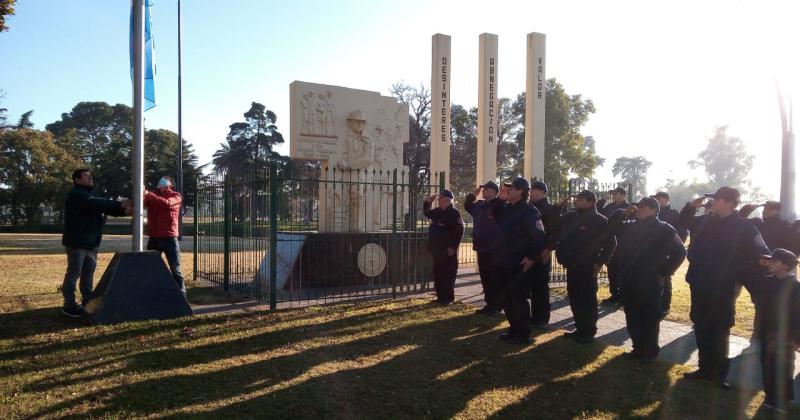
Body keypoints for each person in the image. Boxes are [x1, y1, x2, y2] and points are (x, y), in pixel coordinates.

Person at [680, 187, 770, 389]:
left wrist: (766, 260)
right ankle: (704, 369)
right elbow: (684, 223)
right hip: (699, 281)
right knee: (701, 324)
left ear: (729, 203)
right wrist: (689, 208)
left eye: (717, 199)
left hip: (723, 285)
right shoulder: (704, 221)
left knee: (719, 328)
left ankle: (718, 374)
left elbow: (760, 250)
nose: (712, 202)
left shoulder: (744, 227)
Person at [608, 197, 686, 361]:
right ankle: (637, 348)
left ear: (653, 210)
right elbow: (611, 228)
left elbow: (680, 252)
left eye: (642, 207)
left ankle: (650, 351)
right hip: (629, 278)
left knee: (649, 316)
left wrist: (663, 272)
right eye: (638, 207)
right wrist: (623, 214)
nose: (639, 210)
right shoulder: (631, 225)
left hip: (649, 280)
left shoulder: (665, 229)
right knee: (632, 314)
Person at [61, 169, 131, 317]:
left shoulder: (91, 194)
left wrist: (124, 211)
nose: (90, 177)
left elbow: (103, 207)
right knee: (74, 274)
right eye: (87, 176)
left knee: (88, 273)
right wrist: (120, 204)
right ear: (77, 180)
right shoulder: (77, 195)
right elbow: (96, 204)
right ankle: (69, 305)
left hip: (91, 243)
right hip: (77, 242)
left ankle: (87, 301)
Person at [554, 190, 617, 343]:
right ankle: (580, 327)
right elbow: (555, 223)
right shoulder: (573, 216)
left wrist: (601, 261)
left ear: (590, 202)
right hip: (572, 265)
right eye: (577, 198)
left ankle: (588, 331)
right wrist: (558, 208)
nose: (576, 201)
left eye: (580, 199)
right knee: (575, 296)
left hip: (588, 266)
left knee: (587, 298)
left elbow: (611, 242)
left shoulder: (600, 220)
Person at [742, 249, 800, 413]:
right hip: (766, 332)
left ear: (785, 265)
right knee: (767, 365)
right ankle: (771, 396)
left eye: (775, 261)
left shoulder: (796, 287)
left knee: (783, 366)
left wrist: (797, 339)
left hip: (785, 336)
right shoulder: (767, 281)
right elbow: (746, 276)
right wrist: (757, 264)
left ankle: (782, 400)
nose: (770, 263)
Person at [495, 177, 546, 344]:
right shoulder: (506, 208)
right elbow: (493, 214)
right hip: (504, 260)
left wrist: (531, 257)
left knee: (518, 298)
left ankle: (523, 334)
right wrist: (500, 199)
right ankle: (514, 329)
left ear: (520, 191)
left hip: (519, 262)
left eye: (511, 188)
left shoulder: (529, 211)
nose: (507, 190)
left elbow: (538, 237)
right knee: (506, 298)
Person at [528, 180, 564, 328]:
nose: (530, 192)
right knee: (530, 286)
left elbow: (556, 232)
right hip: (529, 251)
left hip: (542, 252)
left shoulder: (550, 209)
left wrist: (549, 249)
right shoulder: (529, 207)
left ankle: (541, 319)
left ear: (542, 192)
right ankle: (533, 317)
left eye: (534, 190)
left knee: (540, 287)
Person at [464, 181, 503, 315]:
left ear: (494, 191)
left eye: (486, 189)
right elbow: (468, 206)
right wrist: (473, 195)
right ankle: (489, 303)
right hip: (481, 247)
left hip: (494, 248)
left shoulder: (499, 205)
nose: (483, 191)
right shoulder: (480, 205)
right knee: (485, 277)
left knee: (494, 278)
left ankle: (496, 305)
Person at [144, 176, 186, 295]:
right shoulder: (152, 195)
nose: (161, 181)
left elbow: (167, 204)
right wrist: (141, 193)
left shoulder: (176, 196)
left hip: (169, 238)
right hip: (154, 237)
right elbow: (142, 202)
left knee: (175, 269)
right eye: (160, 180)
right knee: (151, 267)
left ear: (170, 185)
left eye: (165, 180)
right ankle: (153, 292)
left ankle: (181, 295)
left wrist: (148, 194)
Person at [423, 190, 464, 305]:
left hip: (448, 250)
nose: (439, 200)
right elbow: (427, 213)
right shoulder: (438, 211)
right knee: (438, 273)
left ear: (447, 200)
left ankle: (448, 298)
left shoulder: (454, 213)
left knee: (448, 274)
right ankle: (440, 297)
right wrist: (427, 203)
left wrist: (453, 246)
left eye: (440, 198)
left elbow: (459, 231)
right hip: (437, 249)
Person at [653, 191, 687, 319]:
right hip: (656, 250)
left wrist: (673, 249)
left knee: (666, 278)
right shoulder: (656, 213)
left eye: (659, 199)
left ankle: (665, 306)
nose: (657, 201)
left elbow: (682, 232)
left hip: (669, 250)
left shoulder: (673, 213)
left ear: (666, 199)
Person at [598, 186, 631, 305]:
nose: (613, 196)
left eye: (616, 194)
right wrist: (603, 200)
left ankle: (622, 296)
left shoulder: (629, 208)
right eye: (613, 194)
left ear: (623, 195)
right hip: (610, 241)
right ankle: (614, 294)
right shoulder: (610, 206)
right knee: (611, 270)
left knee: (621, 270)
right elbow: (598, 212)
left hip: (623, 243)